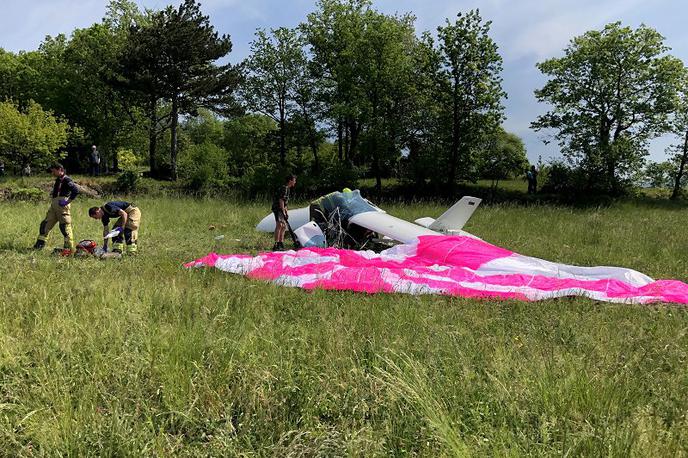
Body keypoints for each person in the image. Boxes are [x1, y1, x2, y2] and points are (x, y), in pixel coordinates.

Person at [33, 163, 79, 253]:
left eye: (54, 171)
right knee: (45, 225)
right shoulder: (58, 180)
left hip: (62, 206)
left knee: (64, 226)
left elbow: (75, 191)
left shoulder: (67, 180)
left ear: (60, 170)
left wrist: (67, 202)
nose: (52, 173)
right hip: (54, 205)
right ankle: (39, 246)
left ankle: (69, 249)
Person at [271, 174, 297, 251]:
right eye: (294, 180)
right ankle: (276, 244)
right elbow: (281, 200)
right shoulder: (284, 188)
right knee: (279, 225)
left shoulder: (288, 189)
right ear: (290, 181)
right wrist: (283, 211)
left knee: (284, 226)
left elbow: (285, 202)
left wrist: (286, 211)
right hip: (277, 208)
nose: (295, 182)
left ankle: (281, 243)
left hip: (281, 209)